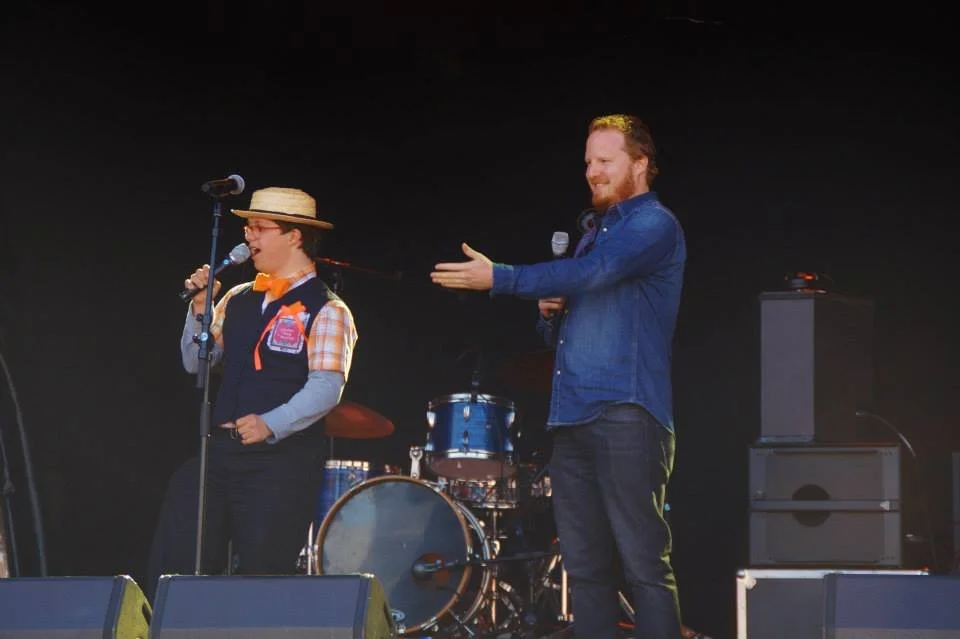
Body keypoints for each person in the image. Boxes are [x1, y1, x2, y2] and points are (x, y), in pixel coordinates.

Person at [430, 114, 686, 638]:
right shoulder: (592, 234)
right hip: (572, 416)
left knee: (643, 566)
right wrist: (550, 315)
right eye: (588, 162)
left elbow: (594, 274)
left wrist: (500, 278)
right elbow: (571, 324)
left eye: (605, 160)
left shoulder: (653, 224)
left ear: (640, 164)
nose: (592, 171)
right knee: (585, 569)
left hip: (626, 412)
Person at [146, 186, 358, 599]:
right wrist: (197, 312)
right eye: (247, 228)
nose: (249, 238)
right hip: (219, 452)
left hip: (279, 462)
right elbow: (197, 363)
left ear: (294, 235)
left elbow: (327, 386)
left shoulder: (327, 308)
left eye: (259, 228)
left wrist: (271, 424)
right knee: (176, 557)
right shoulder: (238, 297)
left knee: (261, 576)